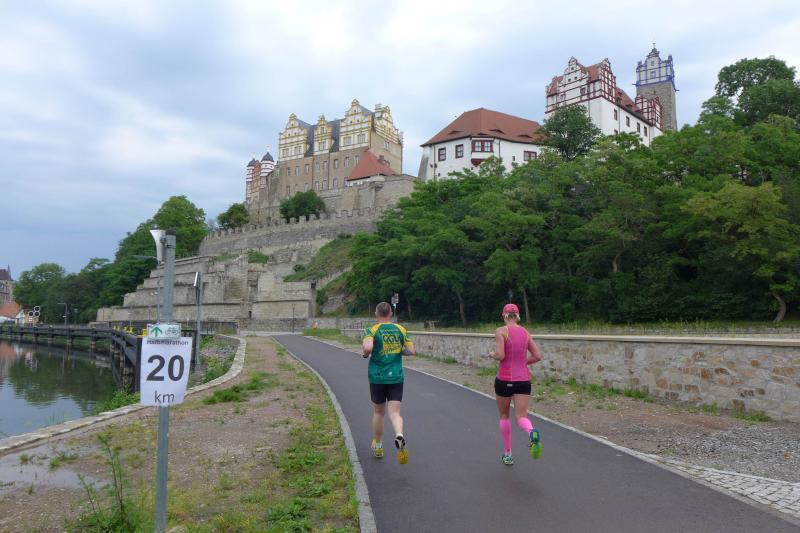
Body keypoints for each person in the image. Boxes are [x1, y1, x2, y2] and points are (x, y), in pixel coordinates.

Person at [487, 303, 543, 465]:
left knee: (504, 416)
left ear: (504, 316)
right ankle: (531, 432)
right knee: (521, 416)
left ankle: (508, 455)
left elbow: (501, 355)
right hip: (523, 380)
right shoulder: (525, 332)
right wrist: (524, 363)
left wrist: (492, 354)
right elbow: (537, 356)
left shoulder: (501, 331)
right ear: (517, 316)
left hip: (504, 380)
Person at [362, 302, 415, 464]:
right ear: (391, 313)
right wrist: (398, 351)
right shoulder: (401, 329)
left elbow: (368, 347)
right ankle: (399, 434)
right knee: (395, 413)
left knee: (379, 412)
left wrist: (366, 354)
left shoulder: (371, 330)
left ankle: (378, 446)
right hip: (396, 377)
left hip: (377, 377)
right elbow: (411, 351)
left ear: (376, 314)